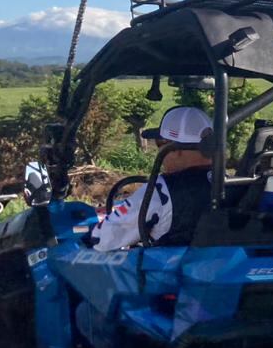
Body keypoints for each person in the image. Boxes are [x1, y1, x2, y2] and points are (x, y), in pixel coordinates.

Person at [87, 106, 213, 251]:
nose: (158, 151)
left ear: (175, 149)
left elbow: (102, 239)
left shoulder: (160, 190)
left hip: (167, 270)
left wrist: (86, 235)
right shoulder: (231, 184)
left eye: (160, 144)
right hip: (215, 267)